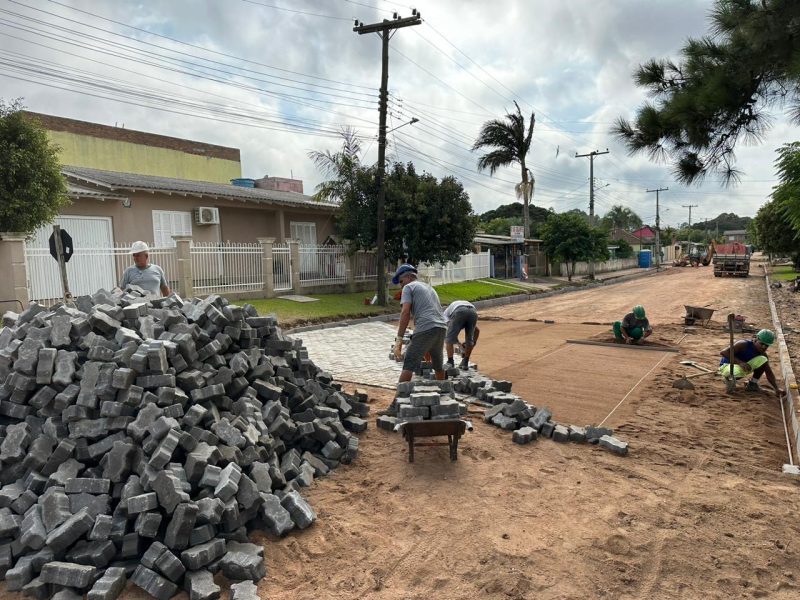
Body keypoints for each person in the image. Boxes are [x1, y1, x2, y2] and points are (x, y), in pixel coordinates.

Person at [392, 264, 447, 383]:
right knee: (438, 366)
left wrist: (399, 340)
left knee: (409, 363)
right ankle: (444, 393)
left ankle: (398, 398)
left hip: (427, 328)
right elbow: (428, 314)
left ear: (408, 278)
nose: (401, 286)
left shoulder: (408, 287)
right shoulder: (429, 288)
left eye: (401, 282)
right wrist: (427, 347)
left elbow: (405, 312)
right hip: (441, 328)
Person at [718, 329, 784, 397]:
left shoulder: (762, 354)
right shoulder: (743, 344)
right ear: (756, 339)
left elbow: (769, 372)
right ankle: (728, 379)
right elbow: (724, 352)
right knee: (734, 372)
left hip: (742, 370)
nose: (763, 347)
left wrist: (776, 388)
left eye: (766, 345)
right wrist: (740, 363)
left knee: (764, 360)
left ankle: (752, 384)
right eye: (761, 344)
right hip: (727, 367)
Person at [444, 300, 480, 370]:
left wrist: (461, 346)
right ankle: (465, 362)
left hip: (459, 311)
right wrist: (472, 343)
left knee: (448, 340)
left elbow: (451, 337)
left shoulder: (445, 316)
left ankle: (450, 362)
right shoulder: (448, 316)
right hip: (473, 311)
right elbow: (477, 331)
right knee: (469, 339)